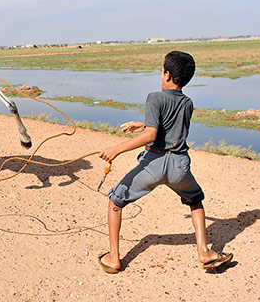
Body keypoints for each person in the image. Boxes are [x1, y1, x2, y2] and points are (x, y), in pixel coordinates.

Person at [98, 51, 232, 273]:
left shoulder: (154, 97)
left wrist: (117, 149)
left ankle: (113, 257)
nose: (161, 76)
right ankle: (204, 252)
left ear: (168, 74)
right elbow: (169, 127)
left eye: (162, 72)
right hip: (180, 166)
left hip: (154, 164)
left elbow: (152, 135)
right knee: (195, 200)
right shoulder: (188, 103)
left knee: (115, 201)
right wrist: (140, 124)